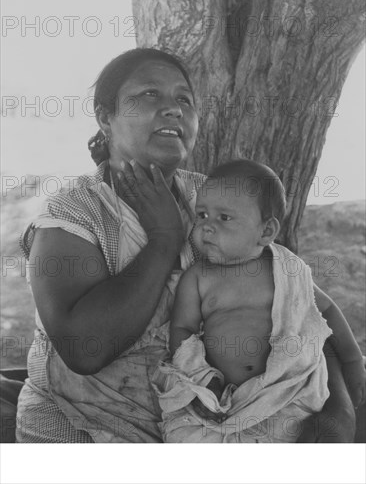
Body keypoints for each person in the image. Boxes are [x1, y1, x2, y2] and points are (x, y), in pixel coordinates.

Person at [16, 48, 356, 443]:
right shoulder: (73, 214)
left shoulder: (213, 199)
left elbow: (300, 306)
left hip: (218, 421)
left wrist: (339, 411)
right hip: (89, 424)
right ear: (105, 117)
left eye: (184, 100)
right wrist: (164, 239)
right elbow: (84, 351)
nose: (173, 109)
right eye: (148, 95)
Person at [153, 160, 366, 442]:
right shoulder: (198, 277)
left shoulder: (286, 267)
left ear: (265, 232)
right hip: (221, 399)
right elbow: (182, 330)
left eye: (224, 218)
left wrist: (352, 360)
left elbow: (325, 309)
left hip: (286, 391)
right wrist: (204, 380)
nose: (207, 227)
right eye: (201, 215)